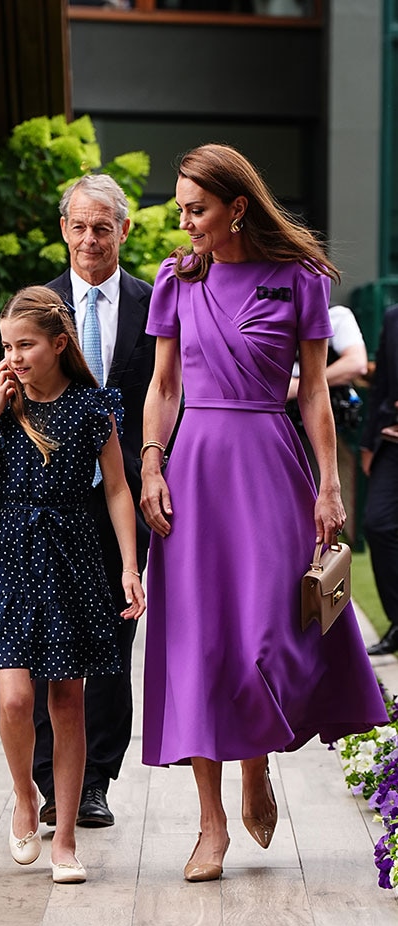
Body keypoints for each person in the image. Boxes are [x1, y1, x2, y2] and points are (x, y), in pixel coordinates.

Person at [139, 143, 389, 883]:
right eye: (182, 208)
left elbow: (314, 390)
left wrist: (330, 486)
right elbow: (162, 385)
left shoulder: (298, 279)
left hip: (269, 469)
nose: (184, 223)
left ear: (237, 207)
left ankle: (257, 766)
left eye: (197, 210)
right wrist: (152, 461)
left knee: (263, 640)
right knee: (199, 645)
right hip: (193, 474)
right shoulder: (175, 279)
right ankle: (209, 825)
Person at [0, 285, 145, 882]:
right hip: (13, 555)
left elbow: (117, 488)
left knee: (67, 700)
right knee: (15, 697)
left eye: (26, 345)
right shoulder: (4, 408)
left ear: (58, 344)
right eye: (7, 346)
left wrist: (128, 566)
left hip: (73, 558)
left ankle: (64, 838)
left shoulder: (94, 405)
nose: (13, 356)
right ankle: (21, 796)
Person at [33, 173, 156, 829]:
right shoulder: (39, 306)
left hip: (125, 503)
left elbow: (171, 399)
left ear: (124, 230)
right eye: (78, 226)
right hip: (50, 505)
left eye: (101, 227)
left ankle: (96, 780)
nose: (89, 239)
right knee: (50, 639)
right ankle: (54, 781)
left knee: (112, 642)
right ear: (64, 230)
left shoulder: (152, 302)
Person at [287, 305, 367, 479]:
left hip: (319, 426)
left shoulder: (335, 315)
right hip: (275, 425)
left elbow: (356, 362)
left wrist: (301, 386)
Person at [361, 304, 398, 655]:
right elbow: (381, 384)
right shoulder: (392, 316)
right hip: (391, 440)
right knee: (377, 524)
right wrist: (368, 443)